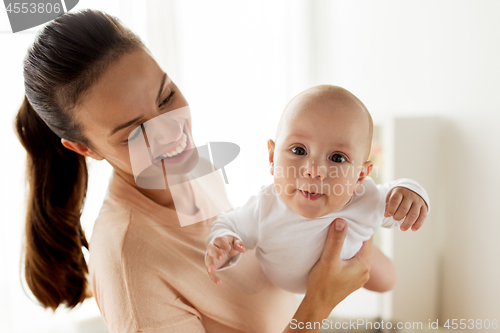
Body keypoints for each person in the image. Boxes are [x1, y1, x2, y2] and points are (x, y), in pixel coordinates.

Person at [14, 9, 372, 333]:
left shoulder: (191, 169)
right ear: (85, 148)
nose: (173, 132)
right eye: (135, 132)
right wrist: (318, 304)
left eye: (166, 96)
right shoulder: (130, 264)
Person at [205, 85, 430, 293]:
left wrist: (411, 193)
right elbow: (228, 223)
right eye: (299, 151)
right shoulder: (265, 206)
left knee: (387, 281)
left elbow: (396, 197)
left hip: (350, 259)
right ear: (273, 157)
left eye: (337, 157)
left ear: (360, 175)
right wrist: (224, 241)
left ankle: (362, 245)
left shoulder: (364, 197)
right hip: (280, 280)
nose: (314, 170)